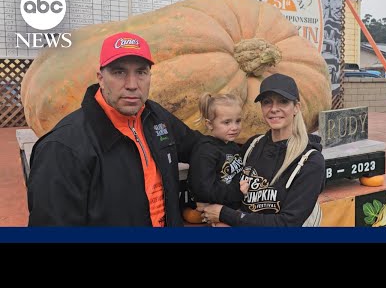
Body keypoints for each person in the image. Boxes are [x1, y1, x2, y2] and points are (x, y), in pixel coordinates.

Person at [27, 32, 202, 226]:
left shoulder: (156, 117)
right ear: (100, 78)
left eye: (141, 72)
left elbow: (199, 147)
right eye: (119, 72)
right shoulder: (62, 148)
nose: (132, 85)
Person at [201, 73, 326, 226]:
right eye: (267, 102)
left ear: (296, 107)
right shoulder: (253, 146)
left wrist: (225, 215)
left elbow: (288, 224)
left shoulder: (310, 161)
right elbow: (234, 191)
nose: (274, 109)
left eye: (283, 102)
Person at [184, 93, 249, 222]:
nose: (234, 127)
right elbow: (204, 190)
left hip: (230, 207)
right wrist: (238, 191)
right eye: (227, 122)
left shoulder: (232, 146)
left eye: (238, 121)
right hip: (209, 213)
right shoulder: (205, 150)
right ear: (209, 124)